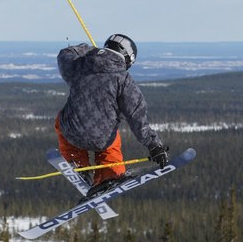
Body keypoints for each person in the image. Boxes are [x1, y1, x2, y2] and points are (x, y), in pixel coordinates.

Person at [55, 34, 169, 197]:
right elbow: (137, 116)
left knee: (61, 120)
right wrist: (154, 145)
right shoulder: (123, 79)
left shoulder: (80, 65)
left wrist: (88, 49)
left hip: (71, 131)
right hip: (101, 139)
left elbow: (65, 54)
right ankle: (109, 176)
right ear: (127, 58)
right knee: (111, 139)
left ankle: (78, 165)